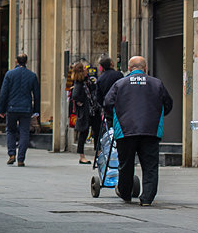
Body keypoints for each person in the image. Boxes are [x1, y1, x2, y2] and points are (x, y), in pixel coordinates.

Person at [103, 56, 172, 206]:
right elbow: (168, 104)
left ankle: (126, 193)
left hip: (125, 130)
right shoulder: (156, 83)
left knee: (126, 164)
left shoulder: (119, 84)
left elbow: (108, 103)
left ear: (129, 68)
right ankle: (147, 198)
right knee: (150, 165)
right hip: (151, 130)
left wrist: (114, 119)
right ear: (145, 68)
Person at [0, 53, 40, 166]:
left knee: (11, 130)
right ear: (26, 62)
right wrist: (36, 110)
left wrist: (1, 109)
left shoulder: (9, 74)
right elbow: (36, 95)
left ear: (16, 61)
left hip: (12, 108)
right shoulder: (32, 75)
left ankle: (12, 154)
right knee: (24, 132)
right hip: (26, 108)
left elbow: (4, 93)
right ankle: (21, 158)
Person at [68, 61, 100, 164]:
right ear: (81, 71)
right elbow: (75, 95)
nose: (87, 69)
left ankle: (98, 153)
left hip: (92, 111)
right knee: (84, 133)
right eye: (85, 68)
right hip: (86, 112)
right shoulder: (79, 83)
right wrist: (80, 102)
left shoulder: (87, 81)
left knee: (96, 132)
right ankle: (82, 156)